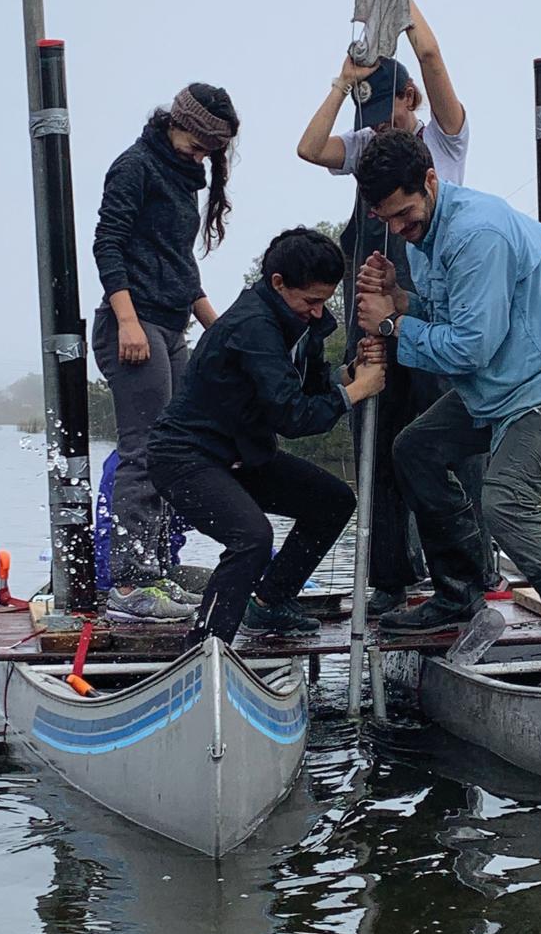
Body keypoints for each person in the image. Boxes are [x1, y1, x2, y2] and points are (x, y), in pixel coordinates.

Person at [354, 130, 541, 688]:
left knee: (506, 504)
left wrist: (390, 322)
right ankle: (458, 595)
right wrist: (399, 298)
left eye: (407, 215)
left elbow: (470, 346)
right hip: (505, 387)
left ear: (432, 181)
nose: (403, 230)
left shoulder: (477, 232)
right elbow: (445, 308)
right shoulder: (421, 234)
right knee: (416, 449)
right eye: (392, 222)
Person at [296, 0, 492, 617]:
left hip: (433, 322)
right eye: (372, 119)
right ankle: (388, 581)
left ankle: (463, 578)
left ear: (410, 99)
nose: (382, 130)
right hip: (372, 329)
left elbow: (431, 57)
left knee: (445, 449)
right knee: (377, 453)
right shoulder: (362, 147)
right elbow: (308, 148)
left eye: (390, 114)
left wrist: (399, 1)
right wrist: (342, 85)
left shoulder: (443, 143)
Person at [145, 228, 386, 645]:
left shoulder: (299, 323)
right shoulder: (252, 326)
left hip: (242, 455)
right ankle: (205, 647)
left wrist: (348, 375)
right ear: (277, 283)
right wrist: (358, 391)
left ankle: (270, 602)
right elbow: (291, 416)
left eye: (324, 301)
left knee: (333, 501)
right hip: (185, 457)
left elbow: (307, 390)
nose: (317, 311)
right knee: (251, 537)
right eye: (310, 300)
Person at [91, 83, 239, 623]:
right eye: (198, 143)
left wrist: (216, 328)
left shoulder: (183, 178)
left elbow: (178, 263)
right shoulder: (134, 166)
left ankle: (157, 571)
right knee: (144, 451)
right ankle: (130, 585)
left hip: (171, 325)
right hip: (133, 324)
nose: (203, 155)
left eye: (210, 149)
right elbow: (108, 242)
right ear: (178, 122)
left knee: (173, 452)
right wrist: (128, 320)